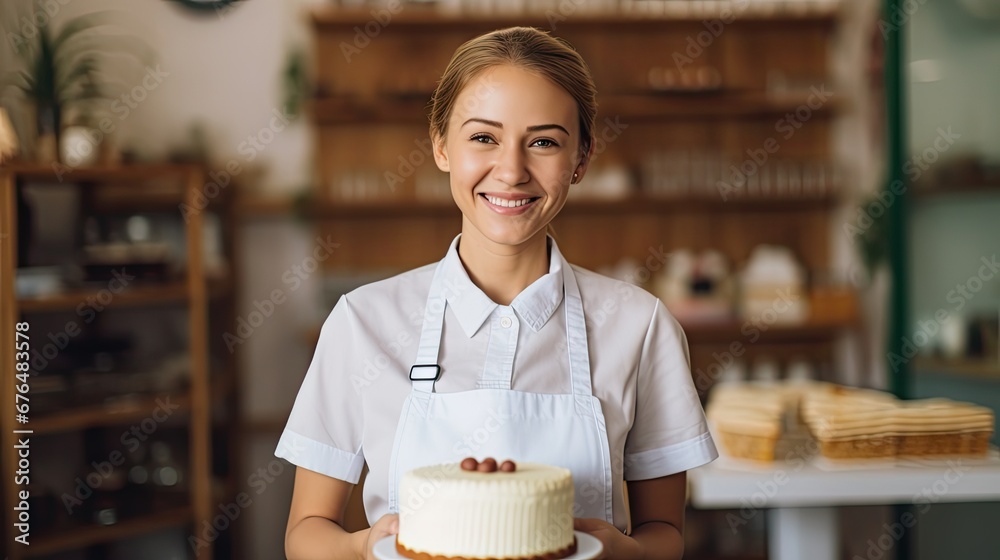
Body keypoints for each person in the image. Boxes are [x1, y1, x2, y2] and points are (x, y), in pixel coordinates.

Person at [277, 26, 717, 560]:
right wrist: (366, 545)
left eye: (544, 142)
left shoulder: (640, 326)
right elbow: (306, 532)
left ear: (581, 158)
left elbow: (666, 534)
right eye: (483, 137)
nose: (510, 171)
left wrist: (622, 551)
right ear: (441, 146)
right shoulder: (362, 321)